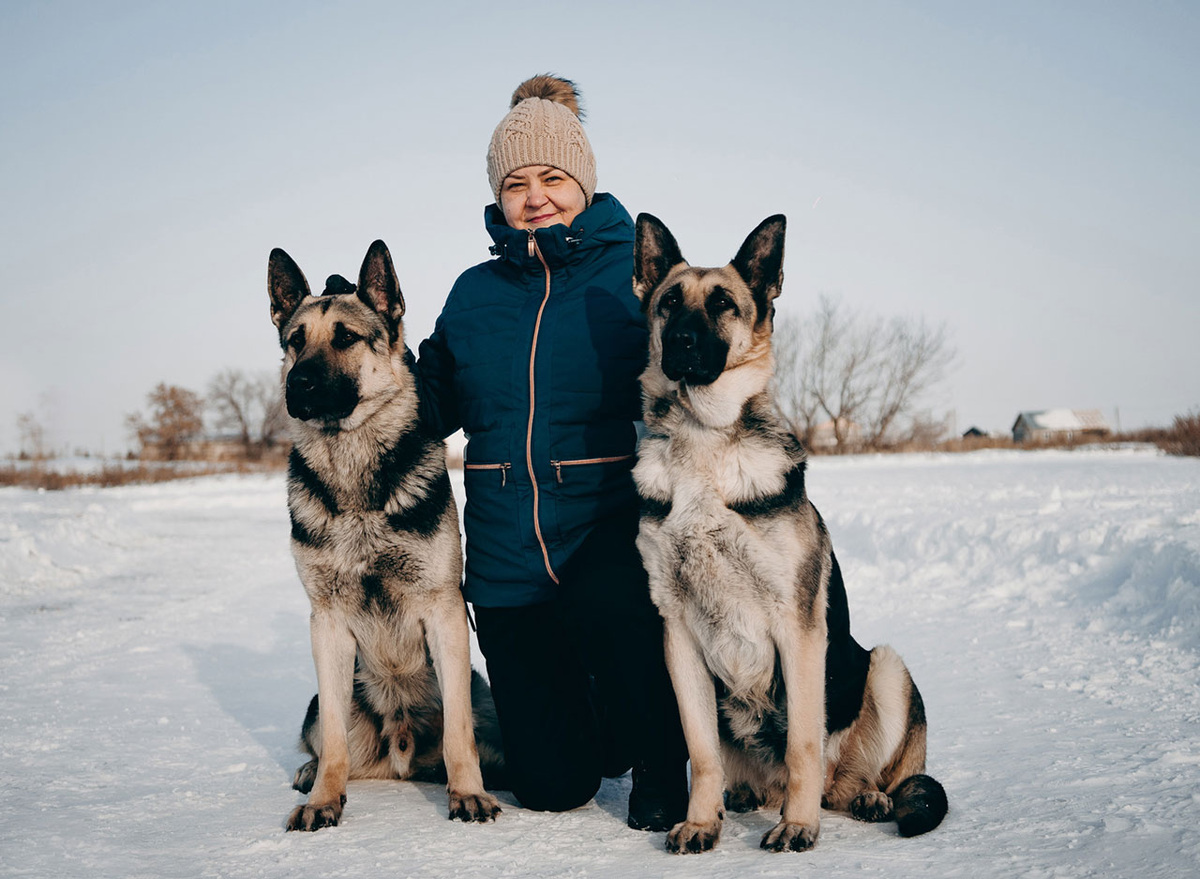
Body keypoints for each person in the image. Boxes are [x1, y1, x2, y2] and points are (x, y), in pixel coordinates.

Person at [413, 74, 688, 830]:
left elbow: (685, 385)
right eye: (516, 184)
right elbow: (427, 408)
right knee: (552, 785)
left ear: (584, 183)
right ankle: (589, 712)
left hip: (608, 536)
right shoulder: (473, 295)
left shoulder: (631, 279)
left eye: (553, 178)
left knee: (619, 605)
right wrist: (372, 356)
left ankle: (661, 754)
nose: (535, 198)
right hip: (508, 564)